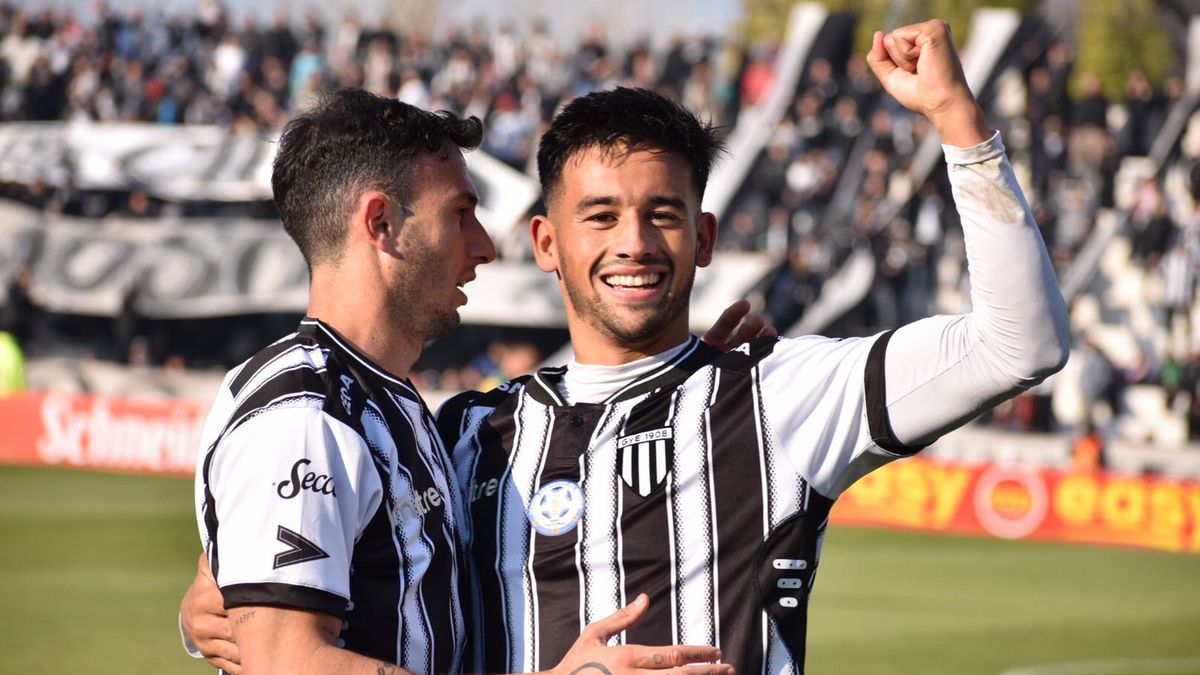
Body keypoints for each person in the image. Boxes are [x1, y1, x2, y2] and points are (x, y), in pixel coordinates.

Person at [186, 20, 1069, 674]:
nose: (635, 244)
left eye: (664, 215)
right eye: (600, 216)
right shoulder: (464, 435)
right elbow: (305, 559)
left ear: (706, 237)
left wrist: (958, 121)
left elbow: (1018, 341)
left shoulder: (780, 395)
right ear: (546, 243)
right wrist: (207, 599)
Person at [186, 87, 741, 675]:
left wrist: (682, 368)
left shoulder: (391, 403)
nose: (484, 246)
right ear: (381, 223)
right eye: (460, 214)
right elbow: (289, 667)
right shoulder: (300, 412)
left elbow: (232, 589)